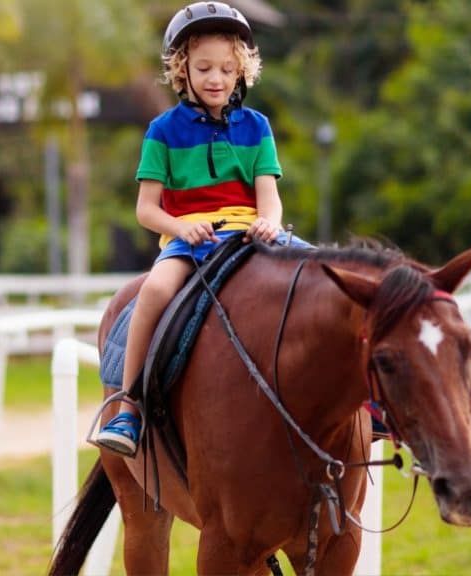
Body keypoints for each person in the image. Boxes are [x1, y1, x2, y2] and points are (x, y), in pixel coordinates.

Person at [96, 1, 309, 457]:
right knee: (153, 291)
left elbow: (268, 195)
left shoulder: (257, 126)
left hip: (251, 235)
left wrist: (267, 223)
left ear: (241, 73)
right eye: (204, 67)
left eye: (227, 69)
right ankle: (128, 408)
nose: (216, 78)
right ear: (182, 71)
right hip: (189, 242)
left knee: (322, 277)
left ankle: (364, 402)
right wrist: (181, 226)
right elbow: (146, 210)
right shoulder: (162, 131)